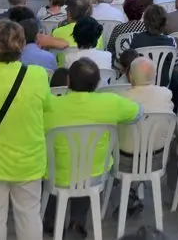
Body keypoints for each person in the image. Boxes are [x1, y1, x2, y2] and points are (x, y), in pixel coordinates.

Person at [0, 20, 52, 240]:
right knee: (29, 214)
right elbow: (47, 106)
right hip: (28, 156)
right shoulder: (38, 75)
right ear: (23, 45)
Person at [43, 58, 140, 237]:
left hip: (56, 175)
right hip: (95, 174)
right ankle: (77, 221)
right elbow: (137, 113)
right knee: (85, 168)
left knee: (56, 165)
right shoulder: (111, 102)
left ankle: (50, 220)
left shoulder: (49, 105)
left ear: (68, 81)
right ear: (97, 84)